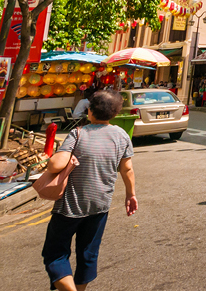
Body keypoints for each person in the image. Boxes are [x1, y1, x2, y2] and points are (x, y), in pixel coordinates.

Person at [41, 90, 136, 291]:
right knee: (88, 254)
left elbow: (54, 166)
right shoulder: (121, 135)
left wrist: (56, 156)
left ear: (90, 111)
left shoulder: (78, 133)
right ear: (115, 113)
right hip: (100, 206)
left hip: (69, 207)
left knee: (55, 254)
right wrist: (130, 194)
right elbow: (127, 169)